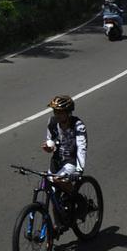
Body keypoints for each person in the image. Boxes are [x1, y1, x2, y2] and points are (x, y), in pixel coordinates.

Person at [41, 95, 88, 224]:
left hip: (71, 161)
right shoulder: (52, 122)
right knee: (52, 194)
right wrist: (49, 147)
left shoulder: (78, 126)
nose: (57, 115)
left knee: (57, 179)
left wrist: (79, 170)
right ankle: (56, 227)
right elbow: (51, 140)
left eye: (60, 112)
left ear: (68, 112)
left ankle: (81, 201)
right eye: (55, 111)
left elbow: (81, 148)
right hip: (56, 161)